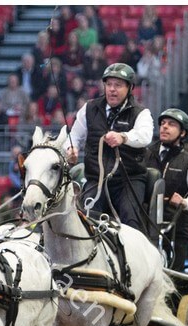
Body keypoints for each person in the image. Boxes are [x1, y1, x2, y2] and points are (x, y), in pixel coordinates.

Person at [65, 63, 154, 234]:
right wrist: (71, 149)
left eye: (118, 85)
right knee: (86, 219)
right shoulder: (89, 108)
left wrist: (124, 137)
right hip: (96, 179)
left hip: (128, 180)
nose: (112, 89)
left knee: (130, 218)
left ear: (130, 88)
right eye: (109, 84)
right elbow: (74, 136)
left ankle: (131, 251)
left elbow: (145, 136)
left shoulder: (141, 112)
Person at [144, 108, 188, 269]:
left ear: (182, 133)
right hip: (144, 228)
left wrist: (185, 202)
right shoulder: (144, 155)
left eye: (171, 124)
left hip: (175, 233)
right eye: (162, 123)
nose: (165, 127)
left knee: (173, 279)